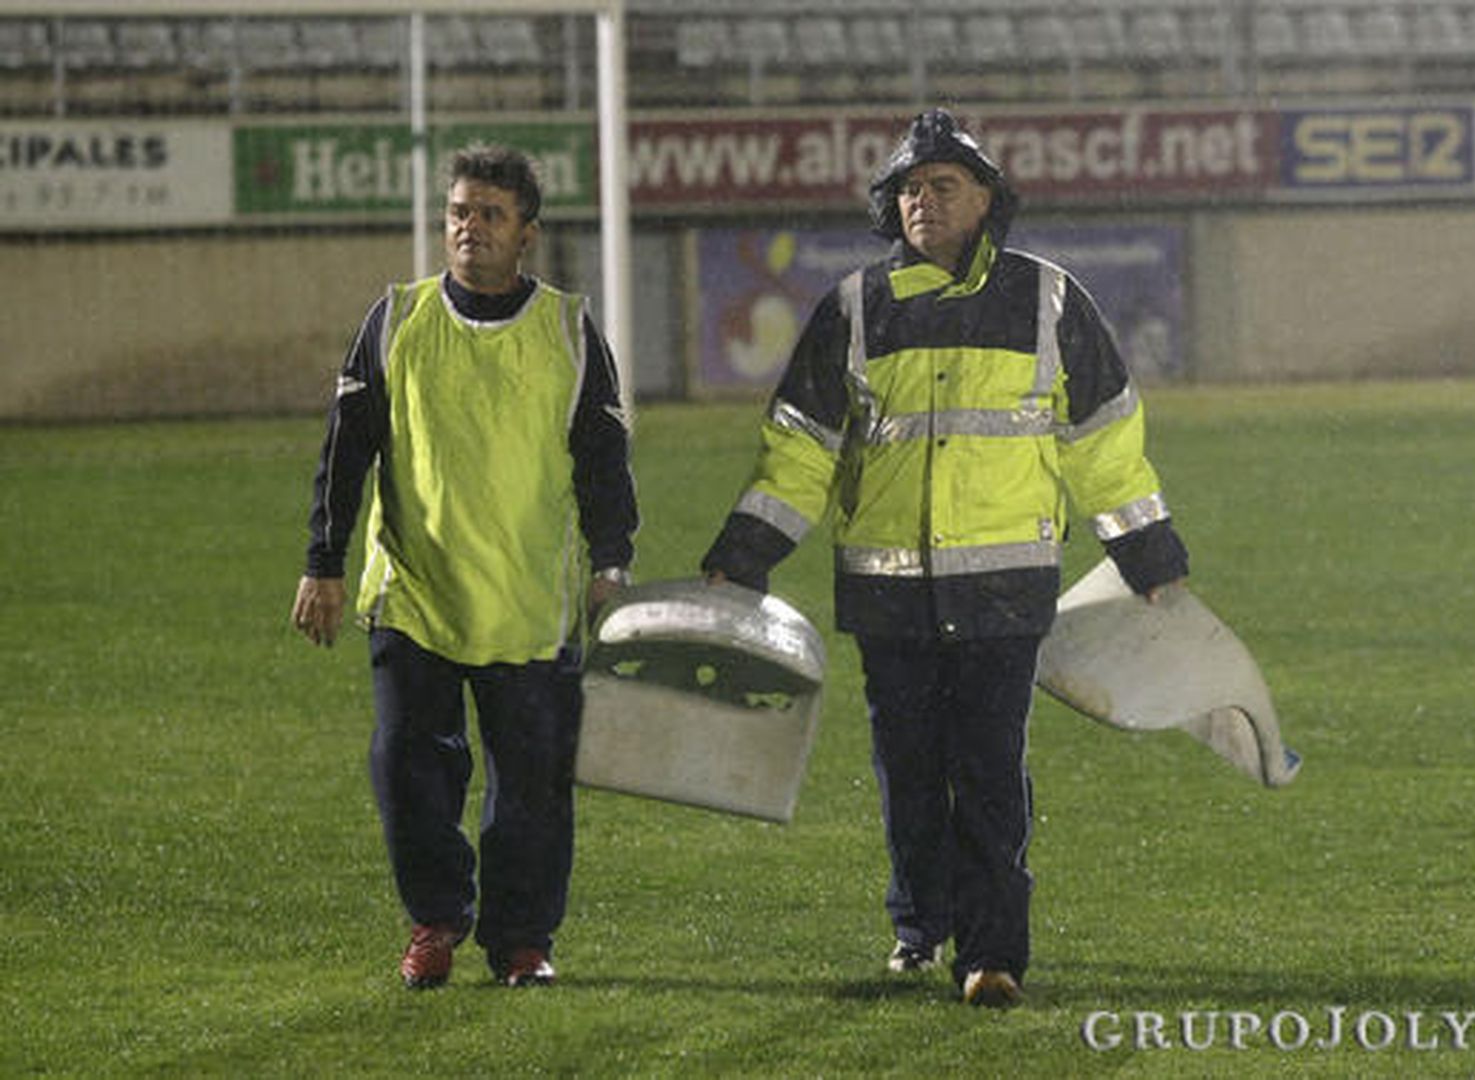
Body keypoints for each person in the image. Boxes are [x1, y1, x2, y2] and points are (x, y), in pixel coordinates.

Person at [700, 110, 1188, 1008]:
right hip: (888, 593)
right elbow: (800, 451)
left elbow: (1104, 442)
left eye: (942, 187)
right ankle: (921, 926)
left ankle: (991, 952)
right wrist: (748, 553)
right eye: (909, 190)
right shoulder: (854, 307)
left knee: (991, 771)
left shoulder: (1050, 300)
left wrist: (1148, 550)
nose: (922, 202)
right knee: (910, 772)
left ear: (988, 199)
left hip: (1006, 588)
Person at [290, 143, 638, 991]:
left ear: (527, 235)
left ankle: (522, 940)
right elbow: (347, 452)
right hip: (414, 592)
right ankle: (436, 922)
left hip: (529, 602)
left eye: (489, 214)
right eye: (458, 213)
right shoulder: (397, 319)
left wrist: (613, 562)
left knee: (532, 789)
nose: (468, 228)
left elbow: (604, 462)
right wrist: (323, 562)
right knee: (407, 768)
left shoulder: (567, 330)